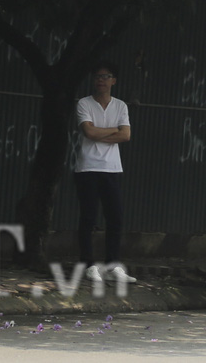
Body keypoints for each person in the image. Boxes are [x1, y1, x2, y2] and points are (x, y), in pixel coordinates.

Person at [75, 62, 131, 275]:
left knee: (115, 217)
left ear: (113, 81)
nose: (101, 79)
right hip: (87, 167)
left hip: (112, 168)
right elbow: (89, 133)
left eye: (106, 76)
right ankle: (87, 264)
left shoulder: (120, 106)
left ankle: (113, 264)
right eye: (98, 76)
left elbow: (126, 136)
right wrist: (114, 130)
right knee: (89, 217)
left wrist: (101, 132)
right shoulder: (84, 103)